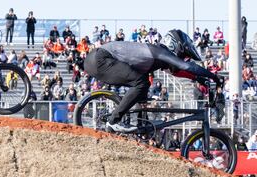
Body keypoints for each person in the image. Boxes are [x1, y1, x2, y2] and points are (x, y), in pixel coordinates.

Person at [84, 29, 221, 133]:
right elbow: (186, 66)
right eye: (183, 55)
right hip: (100, 59)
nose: (182, 58)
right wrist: (213, 76)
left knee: (144, 82)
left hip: (96, 60)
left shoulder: (159, 57)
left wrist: (199, 78)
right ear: (176, 46)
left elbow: (178, 72)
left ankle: (140, 123)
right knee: (141, 83)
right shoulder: (159, 51)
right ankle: (113, 121)